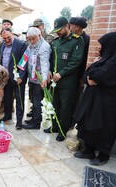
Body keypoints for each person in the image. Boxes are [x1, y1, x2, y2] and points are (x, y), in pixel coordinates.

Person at [73, 32, 116, 166]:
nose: (99, 48)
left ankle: (103, 155)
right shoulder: (102, 59)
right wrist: (90, 76)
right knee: (88, 124)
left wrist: (91, 74)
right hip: (93, 100)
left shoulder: (113, 62)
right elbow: (86, 75)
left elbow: (99, 76)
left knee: (104, 128)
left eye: (102, 45)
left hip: (106, 103)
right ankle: (89, 150)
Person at [45, 17, 84, 141]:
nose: (57, 33)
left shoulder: (77, 41)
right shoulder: (56, 42)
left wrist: (61, 73)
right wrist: (50, 70)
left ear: (67, 26)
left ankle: (63, 130)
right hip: (55, 82)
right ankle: (55, 126)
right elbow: (52, 59)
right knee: (55, 105)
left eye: (59, 30)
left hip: (68, 82)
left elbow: (75, 61)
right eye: (56, 30)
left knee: (66, 107)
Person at [21, 27, 51, 130]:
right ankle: (33, 118)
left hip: (39, 79)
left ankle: (36, 123)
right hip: (32, 77)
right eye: (29, 39)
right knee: (33, 100)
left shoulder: (44, 46)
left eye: (33, 38)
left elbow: (44, 64)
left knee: (37, 101)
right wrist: (19, 70)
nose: (31, 41)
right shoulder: (31, 45)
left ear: (39, 35)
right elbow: (25, 57)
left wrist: (43, 79)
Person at [0, 28, 27, 129]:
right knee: (7, 97)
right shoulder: (2, 44)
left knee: (19, 99)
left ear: (12, 34)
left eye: (8, 37)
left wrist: (21, 76)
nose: (6, 40)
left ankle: (19, 121)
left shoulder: (21, 44)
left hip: (18, 77)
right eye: (4, 38)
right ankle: (7, 115)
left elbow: (24, 61)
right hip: (6, 76)